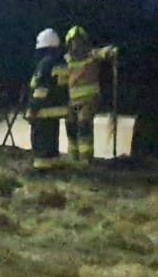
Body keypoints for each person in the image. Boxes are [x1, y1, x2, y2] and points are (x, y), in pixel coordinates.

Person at [62, 25, 119, 165]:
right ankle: (73, 157)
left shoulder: (91, 55)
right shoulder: (66, 59)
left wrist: (111, 50)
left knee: (84, 125)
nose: (77, 44)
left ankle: (85, 159)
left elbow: (104, 52)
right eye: (74, 41)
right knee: (71, 128)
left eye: (79, 40)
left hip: (89, 99)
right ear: (69, 43)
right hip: (70, 101)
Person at [28, 28, 68, 172]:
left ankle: (42, 169)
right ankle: (53, 164)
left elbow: (41, 89)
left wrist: (33, 109)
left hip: (44, 109)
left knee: (40, 140)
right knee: (52, 139)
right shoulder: (62, 62)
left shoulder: (45, 63)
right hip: (57, 108)